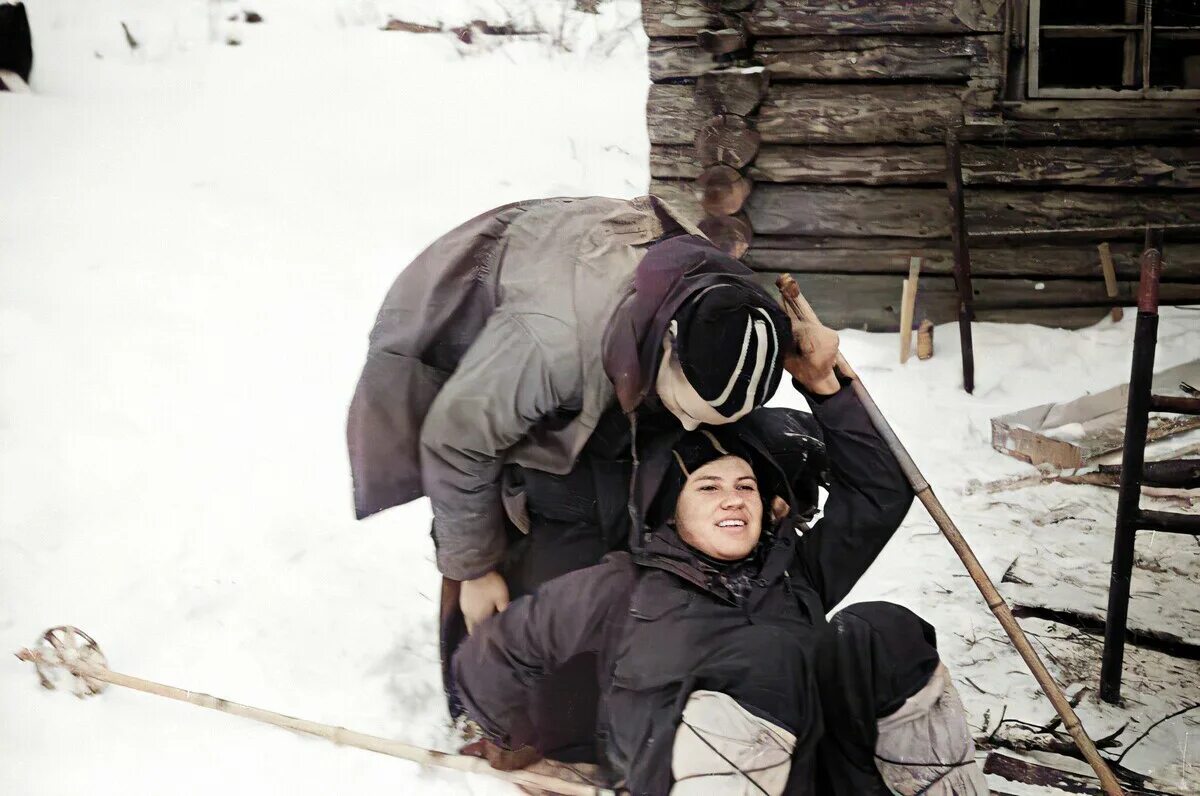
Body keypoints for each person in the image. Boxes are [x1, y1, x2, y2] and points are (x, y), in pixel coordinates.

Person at [451, 356, 989, 794]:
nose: (733, 498)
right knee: (764, 658)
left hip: (811, 772)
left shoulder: (795, 572)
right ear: (671, 510)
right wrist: (510, 734)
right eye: (709, 488)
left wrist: (827, 388)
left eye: (746, 487)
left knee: (881, 631)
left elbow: (880, 494)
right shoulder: (622, 588)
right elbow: (499, 650)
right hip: (682, 778)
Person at [347, 197, 791, 667]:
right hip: (485, 302)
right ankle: (475, 681)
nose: (687, 426)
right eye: (684, 407)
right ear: (667, 343)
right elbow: (457, 443)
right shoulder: (549, 343)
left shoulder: (729, 305)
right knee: (491, 506)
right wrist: (473, 569)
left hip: (589, 298)